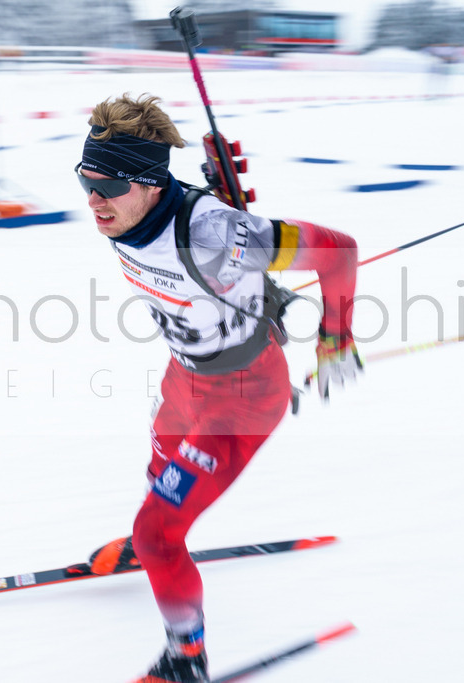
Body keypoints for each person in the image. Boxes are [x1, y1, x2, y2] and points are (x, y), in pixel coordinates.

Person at [76, 94, 361, 683]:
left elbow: (338, 250)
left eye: (109, 185)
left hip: (244, 397)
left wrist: (335, 336)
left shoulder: (217, 236)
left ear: (152, 184)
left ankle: (187, 658)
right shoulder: (132, 207)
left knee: (158, 530)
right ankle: (149, 546)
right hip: (187, 375)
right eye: (85, 180)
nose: (95, 201)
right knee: (159, 466)